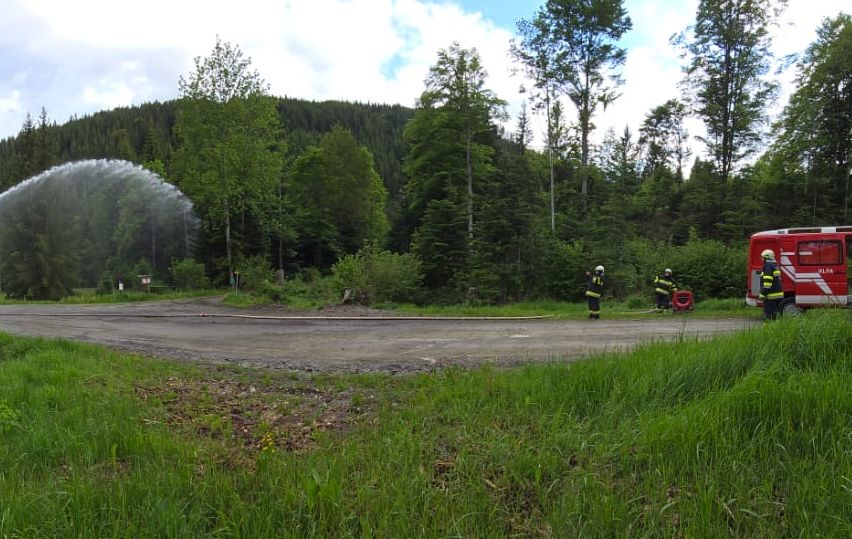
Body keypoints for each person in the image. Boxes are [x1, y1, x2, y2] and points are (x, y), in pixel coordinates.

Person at [760, 249, 783, 320]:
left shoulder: (768, 266)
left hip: (770, 295)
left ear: (767, 257)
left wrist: (763, 293)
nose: (762, 259)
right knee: (774, 314)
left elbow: (767, 282)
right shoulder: (774, 265)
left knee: (768, 314)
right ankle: (774, 328)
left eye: (763, 257)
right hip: (776, 294)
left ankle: (768, 328)